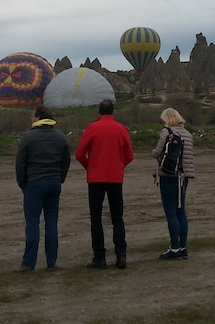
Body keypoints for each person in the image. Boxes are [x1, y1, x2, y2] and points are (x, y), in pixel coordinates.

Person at [74, 99, 134, 269]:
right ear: (112, 111)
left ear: (99, 112)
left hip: (96, 179)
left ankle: (99, 257)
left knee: (96, 218)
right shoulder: (121, 129)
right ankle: (121, 255)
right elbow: (129, 155)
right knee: (117, 218)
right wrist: (118, 167)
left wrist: (90, 167)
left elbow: (79, 154)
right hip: (115, 178)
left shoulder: (92, 128)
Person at [14, 105, 71, 272]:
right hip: (53, 182)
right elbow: (66, 161)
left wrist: (23, 183)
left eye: (33, 116)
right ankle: (51, 261)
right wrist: (59, 178)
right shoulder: (61, 138)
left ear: (38, 117)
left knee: (32, 223)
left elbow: (20, 164)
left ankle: (28, 263)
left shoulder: (28, 138)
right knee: (51, 222)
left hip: (34, 183)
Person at [151, 107, 196, 260]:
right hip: (184, 177)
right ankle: (182, 247)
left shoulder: (166, 132)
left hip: (169, 176)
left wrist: (153, 152)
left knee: (170, 212)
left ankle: (174, 248)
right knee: (180, 210)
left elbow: (157, 153)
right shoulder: (188, 134)